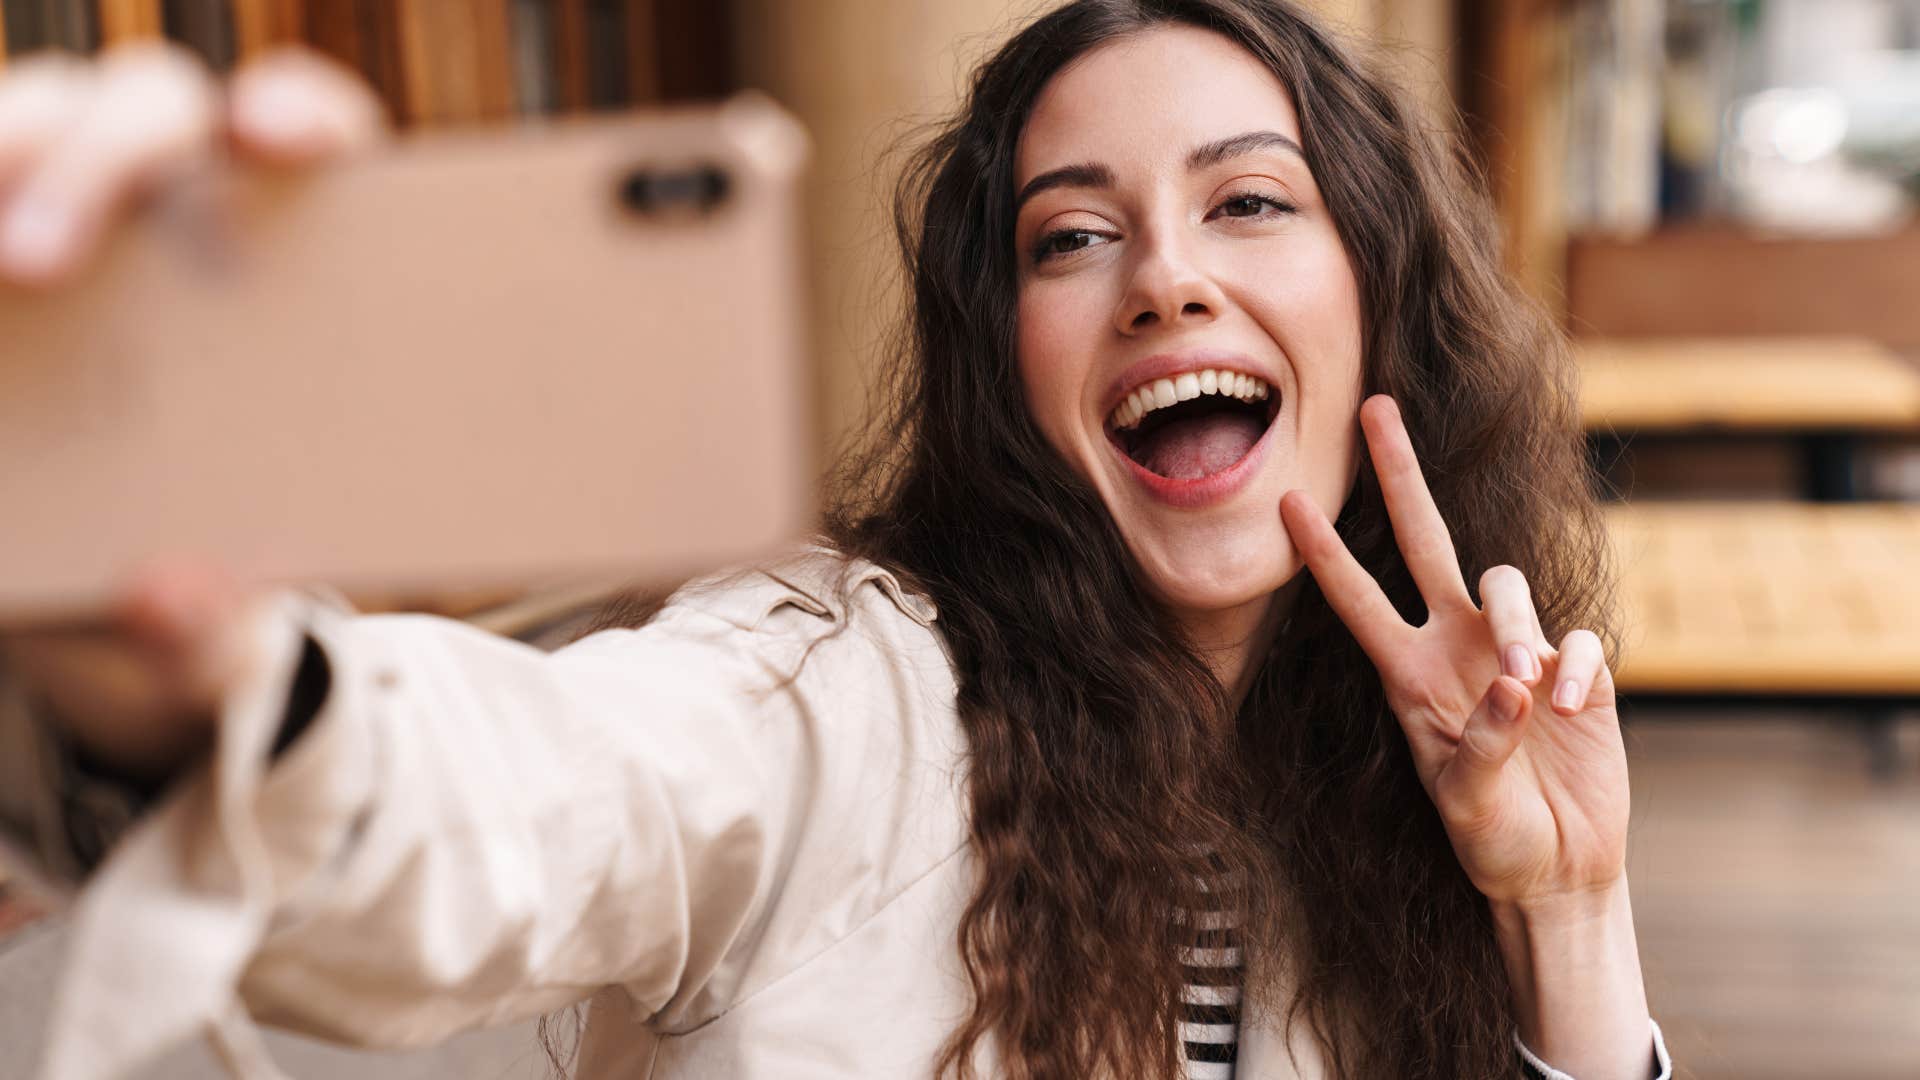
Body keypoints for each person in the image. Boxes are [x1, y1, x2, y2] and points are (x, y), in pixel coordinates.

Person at [0, 2, 1675, 1078]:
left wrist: (1566, 912)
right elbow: (534, 796)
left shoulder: (1421, 775)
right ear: (1004, 357)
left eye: (1249, 201)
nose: (1164, 275)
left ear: (1379, 300)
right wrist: (204, 679)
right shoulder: (831, 689)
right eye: (1071, 234)